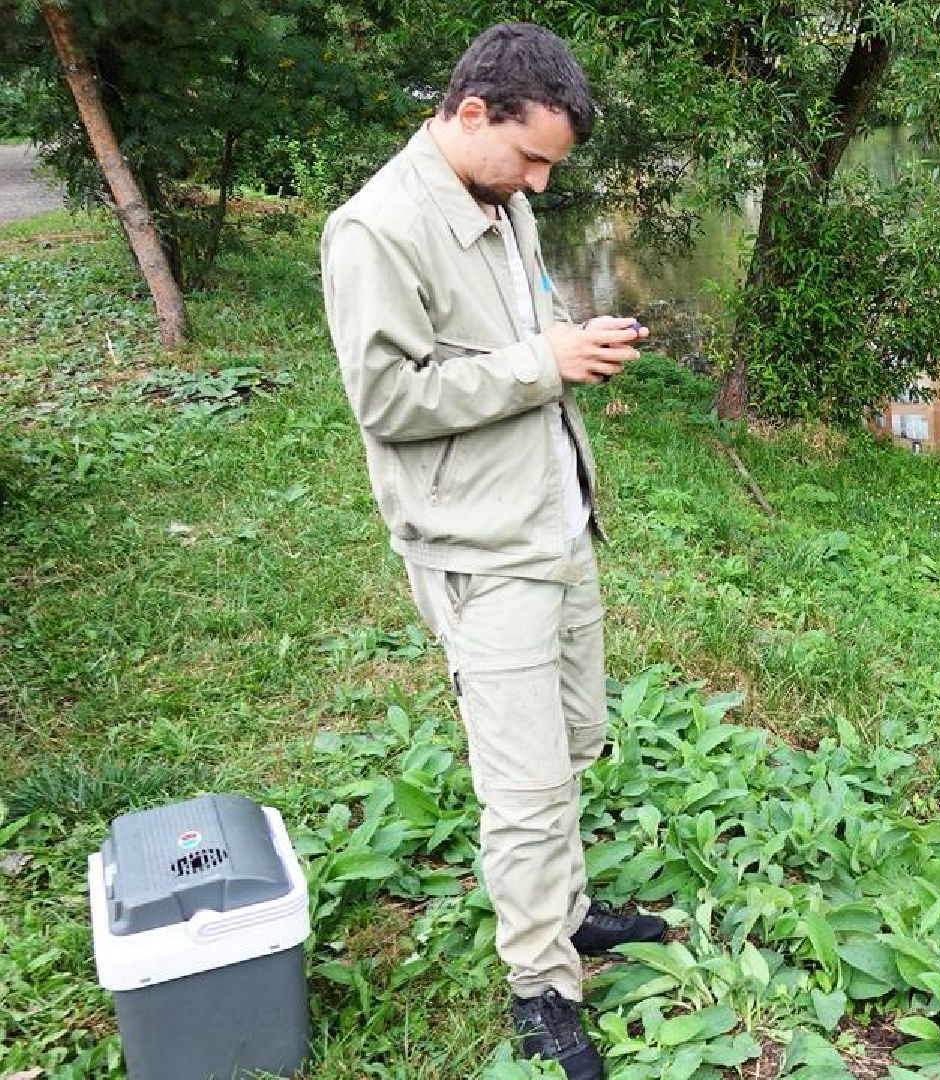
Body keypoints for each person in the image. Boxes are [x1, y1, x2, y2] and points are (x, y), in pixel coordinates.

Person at [320, 23, 658, 1080]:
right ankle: (541, 990)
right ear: (473, 114)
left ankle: (565, 909)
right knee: (521, 786)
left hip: (557, 520)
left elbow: (519, 329)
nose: (542, 184)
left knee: (573, 740)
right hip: (482, 547)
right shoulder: (374, 230)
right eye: (534, 157)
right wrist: (538, 364)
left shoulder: (499, 199)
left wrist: (567, 341)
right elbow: (388, 399)